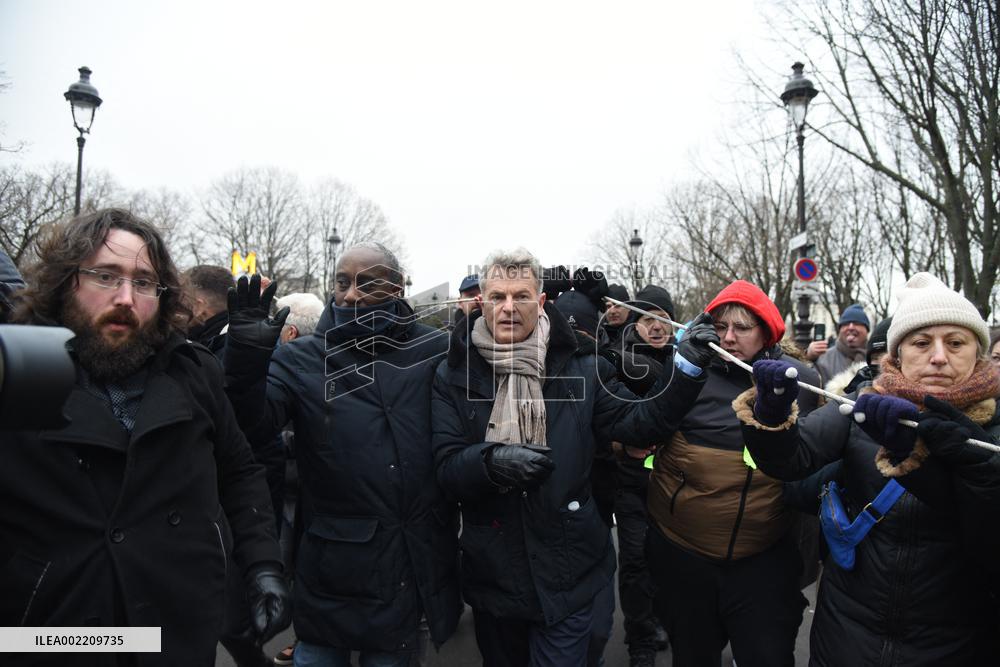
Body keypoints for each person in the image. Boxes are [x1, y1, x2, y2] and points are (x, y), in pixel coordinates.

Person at [2, 208, 288, 666]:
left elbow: (239, 471)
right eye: (104, 276)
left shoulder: (194, 371)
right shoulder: (18, 371)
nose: (126, 298)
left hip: (177, 635)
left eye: (143, 282)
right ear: (65, 280)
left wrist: (262, 564)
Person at [431, 249, 719, 666]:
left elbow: (640, 424)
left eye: (521, 296)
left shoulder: (583, 367)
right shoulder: (454, 373)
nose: (509, 308)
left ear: (542, 300)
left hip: (570, 569)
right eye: (497, 297)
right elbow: (445, 467)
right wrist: (489, 462)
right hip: (494, 573)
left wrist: (686, 371)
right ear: (482, 302)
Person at [739, 272, 1000, 665]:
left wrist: (961, 466)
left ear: (978, 355)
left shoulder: (993, 426)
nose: (939, 356)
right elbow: (790, 462)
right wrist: (771, 415)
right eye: (922, 342)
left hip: (955, 644)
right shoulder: (864, 405)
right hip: (847, 634)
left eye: (956, 342)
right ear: (895, 356)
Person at [223, 242, 462, 666]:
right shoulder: (300, 358)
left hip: (408, 569)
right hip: (331, 572)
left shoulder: (436, 350)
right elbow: (252, 427)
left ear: (396, 287)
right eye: (342, 282)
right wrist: (244, 363)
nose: (350, 294)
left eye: (367, 283)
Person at [644, 279, 821, 667]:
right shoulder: (687, 369)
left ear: (766, 332)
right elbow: (646, 427)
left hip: (764, 561)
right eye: (720, 327)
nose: (728, 337)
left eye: (741, 328)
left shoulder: (800, 380)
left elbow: (809, 459)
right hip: (685, 556)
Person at [606, 284, 676, 667]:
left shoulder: (687, 362)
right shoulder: (615, 362)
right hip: (632, 482)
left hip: (674, 485)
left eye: (663, 319)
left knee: (667, 561)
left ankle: (660, 618)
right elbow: (600, 422)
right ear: (636, 322)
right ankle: (641, 641)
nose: (656, 327)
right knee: (634, 560)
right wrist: (621, 446)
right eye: (648, 318)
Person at [806, 303, 870, 385]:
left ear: (866, 330)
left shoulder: (876, 359)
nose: (850, 327)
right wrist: (808, 357)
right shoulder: (823, 358)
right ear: (840, 330)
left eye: (856, 323)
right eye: (846, 324)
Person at [182, 264, 235, 357]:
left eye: (181, 299)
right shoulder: (240, 342)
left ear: (198, 306)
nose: (172, 307)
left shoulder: (210, 354)